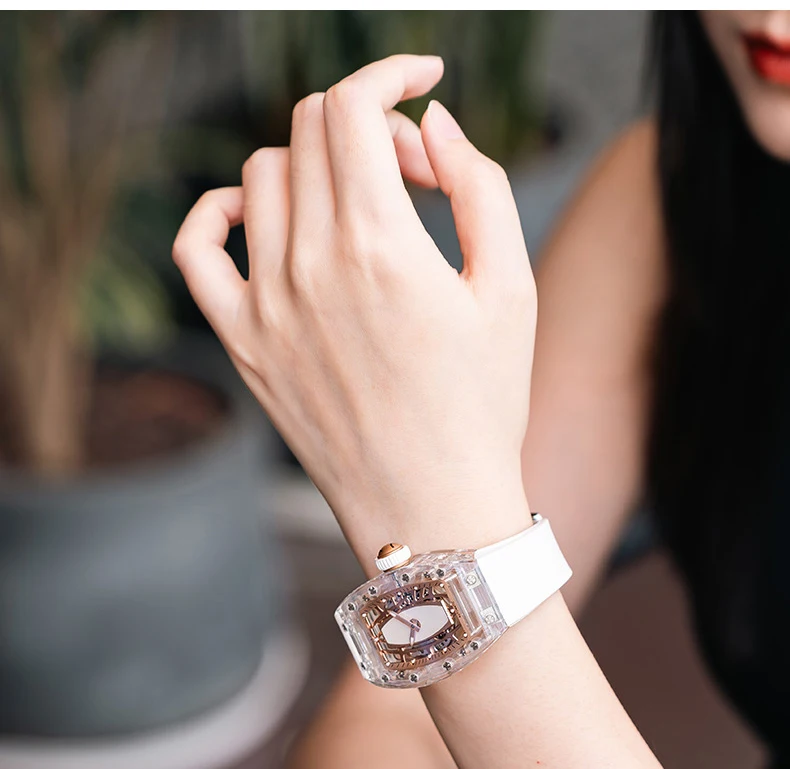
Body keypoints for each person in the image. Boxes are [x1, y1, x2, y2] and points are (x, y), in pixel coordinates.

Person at [173, 10, 790, 768]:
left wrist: (431, 507)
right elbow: (389, 725)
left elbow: (441, 632)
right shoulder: (673, 199)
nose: (769, 16)